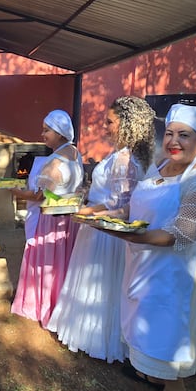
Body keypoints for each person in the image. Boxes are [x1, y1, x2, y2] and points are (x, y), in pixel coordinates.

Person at [108, 104, 196, 391]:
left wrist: (124, 234)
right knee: (143, 318)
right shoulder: (161, 166)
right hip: (144, 261)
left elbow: (182, 233)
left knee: (169, 328)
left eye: (184, 135)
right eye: (170, 134)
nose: (174, 141)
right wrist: (110, 217)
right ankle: (149, 371)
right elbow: (138, 205)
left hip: (177, 271)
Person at [46, 96, 156, 363]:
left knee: (102, 285)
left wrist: (84, 211)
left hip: (105, 235)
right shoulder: (127, 155)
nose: (104, 127)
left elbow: (121, 204)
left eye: (109, 122)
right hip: (98, 225)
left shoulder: (124, 158)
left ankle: (99, 337)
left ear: (127, 124)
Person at [10, 109, 85, 327]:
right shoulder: (75, 153)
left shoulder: (53, 162)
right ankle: (60, 304)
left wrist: (15, 192)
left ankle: (44, 306)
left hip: (51, 219)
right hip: (69, 220)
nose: (43, 134)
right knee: (63, 262)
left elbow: (38, 195)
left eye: (47, 130)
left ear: (60, 133)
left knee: (46, 263)